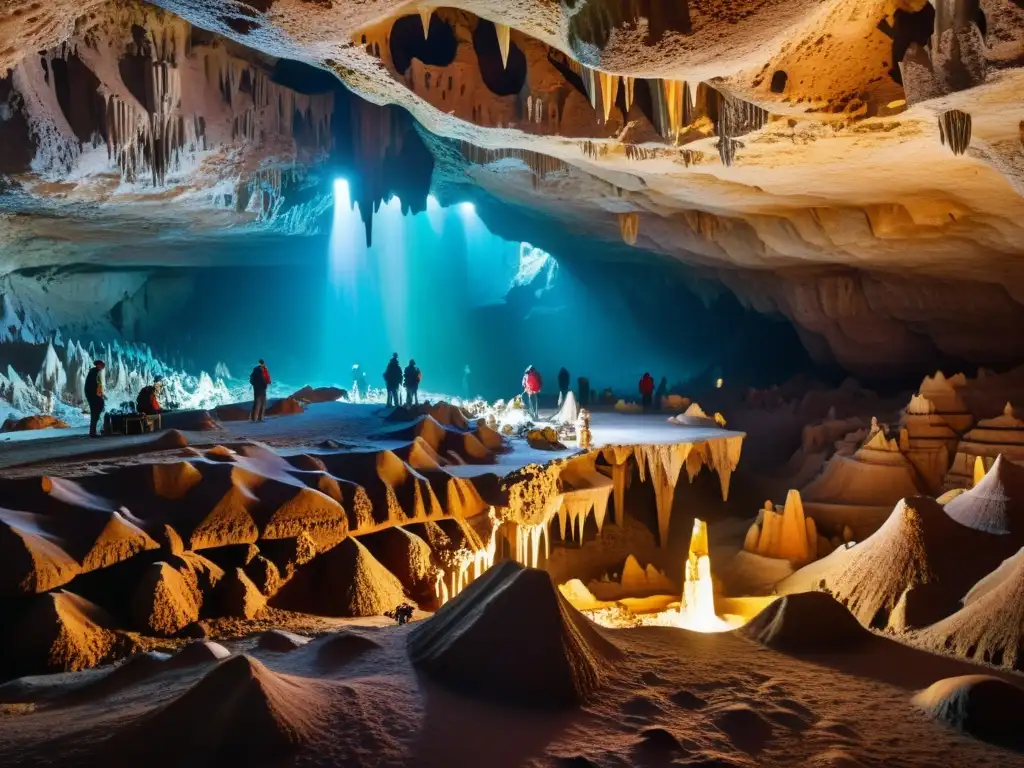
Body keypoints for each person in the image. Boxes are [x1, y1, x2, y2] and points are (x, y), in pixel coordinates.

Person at [84, 360, 106, 438]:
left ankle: (93, 431)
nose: (103, 367)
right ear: (98, 365)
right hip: (93, 396)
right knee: (95, 413)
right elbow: (93, 385)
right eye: (102, 365)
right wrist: (97, 395)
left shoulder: (96, 372)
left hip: (94, 395)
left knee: (96, 412)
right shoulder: (94, 372)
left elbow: (98, 385)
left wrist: (101, 394)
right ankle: (92, 432)